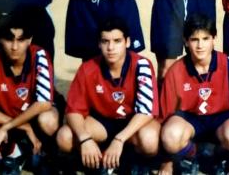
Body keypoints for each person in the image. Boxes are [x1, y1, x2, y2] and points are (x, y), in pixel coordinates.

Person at [57, 18, 160, 174]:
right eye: (105, 41)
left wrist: (119, 139)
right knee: (64, 137)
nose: (110, 48)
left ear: (127, 42)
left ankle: (129, 161)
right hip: (102, 122)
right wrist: (85, 139)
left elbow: (146, 111)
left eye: (117, 41)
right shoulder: (88, 68)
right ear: (99, 44)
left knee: (149, 140)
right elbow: (73, 111)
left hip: (132, 123)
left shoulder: (142, 65)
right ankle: (97, 159)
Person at [159, 14, 229, 175]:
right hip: (190, 119)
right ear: (186, 41)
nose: (200, 45)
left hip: (222, 118)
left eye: (205, 39)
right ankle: (193, 153)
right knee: (170, 136)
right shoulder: (176, 71)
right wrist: (167, 161)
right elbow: (165, 113)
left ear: (214, 38)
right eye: (194, 40)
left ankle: (219, 155)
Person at [0, 11, 59, 174]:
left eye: (21, 39)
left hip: (35, 119)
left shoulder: (40, 55)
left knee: (48, 120)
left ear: (30, 40)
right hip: (10, 118)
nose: (14, 46)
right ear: (0, 39)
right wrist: (23, 126)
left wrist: (13, 125)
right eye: (9, 39)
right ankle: (12, 152)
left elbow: (44, 103)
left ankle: (45, 152)